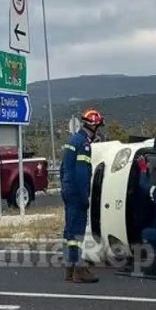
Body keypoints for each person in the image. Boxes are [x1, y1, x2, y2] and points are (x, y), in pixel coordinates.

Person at [59, 108, 105, 283]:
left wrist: (65, 188)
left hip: (68, 190)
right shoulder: (84, 145)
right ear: (93, 126)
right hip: (77, 193)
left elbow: (63, 169)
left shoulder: (72, 141)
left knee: (70, 231)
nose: (98, 132)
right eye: (98, 127)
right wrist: (85, 196)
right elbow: (82, 173)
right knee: (77, 232)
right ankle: (79, 270)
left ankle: (70, 268)